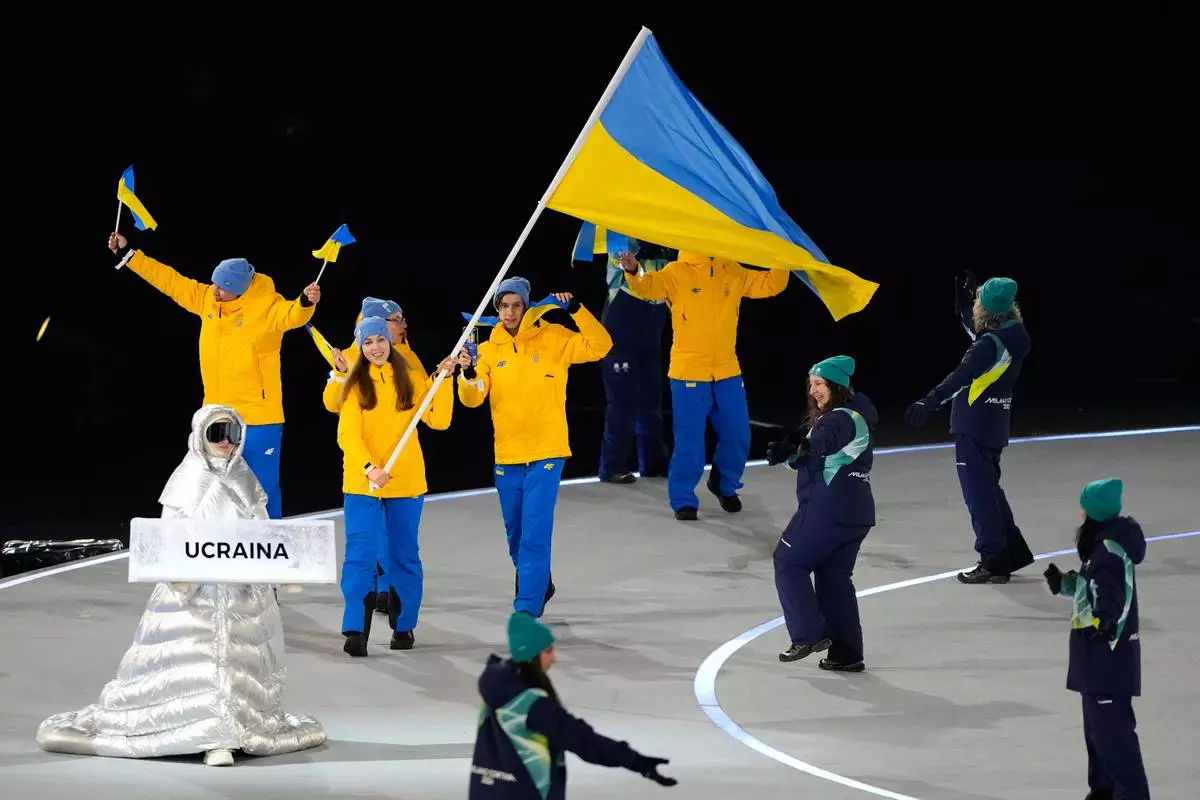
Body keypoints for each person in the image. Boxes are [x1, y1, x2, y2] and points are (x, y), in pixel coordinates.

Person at [36, 405, 326, 766]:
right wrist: (182, 578)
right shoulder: (186, 481)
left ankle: (229, 732)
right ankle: (210, 737)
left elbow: (261, 531)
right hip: (194, 592)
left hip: (240, 593)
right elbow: (169, 536)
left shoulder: (246, 480)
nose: (225, 442)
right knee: (199, 657)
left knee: (236, 662)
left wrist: (272, 569)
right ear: (200, 436)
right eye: (216, 433)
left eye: (232, 434)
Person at [108, 232, 321, 519]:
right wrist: (129, 255)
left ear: (240, 289)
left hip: (259, 416)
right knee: (210, 489)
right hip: (218, 414)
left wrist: (306, 302)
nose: (215, 291)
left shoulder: (267, 307)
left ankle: (272, 547)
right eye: (215, 283)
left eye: (223, 287)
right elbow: (171, 281)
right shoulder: (208, 300)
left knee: (262, 489)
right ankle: (216, 548)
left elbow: (293, 315)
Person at [455, 277, 612, 617]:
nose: (509, 312)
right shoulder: (487, 349)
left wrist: (576, 310)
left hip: (547, 450)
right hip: (508, 453)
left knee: (535, 530)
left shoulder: (554, 337)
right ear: (497, 310)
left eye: (516, 305)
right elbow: (473, 397)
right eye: (503, 306)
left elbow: (601, 345)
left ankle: (526, 606)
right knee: (516, 534)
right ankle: (540, 579)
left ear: (527, 307)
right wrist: (467, 375)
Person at [617, 250, 788, 521]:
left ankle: (723, 484)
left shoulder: (733, 269)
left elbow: (771, 284)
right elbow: (648, 286)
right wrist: (633, 268)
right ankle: (684, 499)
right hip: (688, 372)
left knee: (738, 435)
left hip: (727, 369)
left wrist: (783, 259)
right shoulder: (678, 271)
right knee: (690, 441)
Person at [903, 275, 1034, 584]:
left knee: (979, 496)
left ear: (986, 310)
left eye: (979, 302)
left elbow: (961, 376)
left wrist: (929, 401)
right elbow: (984, 336)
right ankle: (1011, 551)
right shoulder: (1017, 335)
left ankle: (993, 559)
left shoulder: (987, 346)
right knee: (990, 490)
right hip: (996, 422)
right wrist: (969, 306)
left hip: (973, 425)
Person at [337, 316, 456, 656]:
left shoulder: (414, 380)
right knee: (360, 555)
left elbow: (440, 421)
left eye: (381, 340)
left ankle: (404, 627)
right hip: (363, 485)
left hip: (405, 483)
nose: (376, 347)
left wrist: (443, 382)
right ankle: (355, 632)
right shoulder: (355, 386)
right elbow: (347, 435)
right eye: (369, 342)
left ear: (390, 342)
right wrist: (368, 468)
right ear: (361, 346)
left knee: (403, 554)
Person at [469, 612, 677, 797]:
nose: (554, 658)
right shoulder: (531, 704)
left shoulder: (495, 685)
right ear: (532, 655)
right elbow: (582, 739)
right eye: (548, 651)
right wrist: (636, 761)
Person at [765, 356, 877, 670]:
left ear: (837, 386)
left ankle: (808, 634)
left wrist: (803, 450)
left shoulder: (837, 419)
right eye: (811, 384)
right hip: (855, 513)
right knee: (834, 580)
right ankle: (847, 653)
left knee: (787, 561)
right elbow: (815, 456)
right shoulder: (854, 416)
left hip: (827, 510)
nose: (814, 390)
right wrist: (790, 455)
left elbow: (822, 445)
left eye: (820, 384)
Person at [1043, 478, 1150, 799]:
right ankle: (1103, 792)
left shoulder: (1107, 552)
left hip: (1107, 660)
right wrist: (1064, 583)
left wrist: (1105, 621)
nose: (1079, 513)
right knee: (1097, 736)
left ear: (1093, 513)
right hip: (1096, 662)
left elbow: (1109, 594)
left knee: (1114, 739)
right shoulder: (1103, 547)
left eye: (1083, 507)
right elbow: (1091, 589)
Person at [322, 296, 427, 616]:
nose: (403, 325)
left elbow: (427, 409)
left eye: (398, 321)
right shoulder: (354, 357)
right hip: (365, 466)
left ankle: (393, 598)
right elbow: (335, 406)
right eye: (396, 319)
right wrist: (339, 375)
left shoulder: (406, 358)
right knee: (366, 539)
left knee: (396, 539)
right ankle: (370, 597)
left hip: (400, 466)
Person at [596, 240, 672, 484]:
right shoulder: (621, 237)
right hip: (620, 334)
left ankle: (654, 465)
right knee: (622, 404)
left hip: (650, 333)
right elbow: (622, 262)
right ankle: (612, 467)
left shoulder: (667, 241)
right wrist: (642, 247)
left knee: (651, 402)